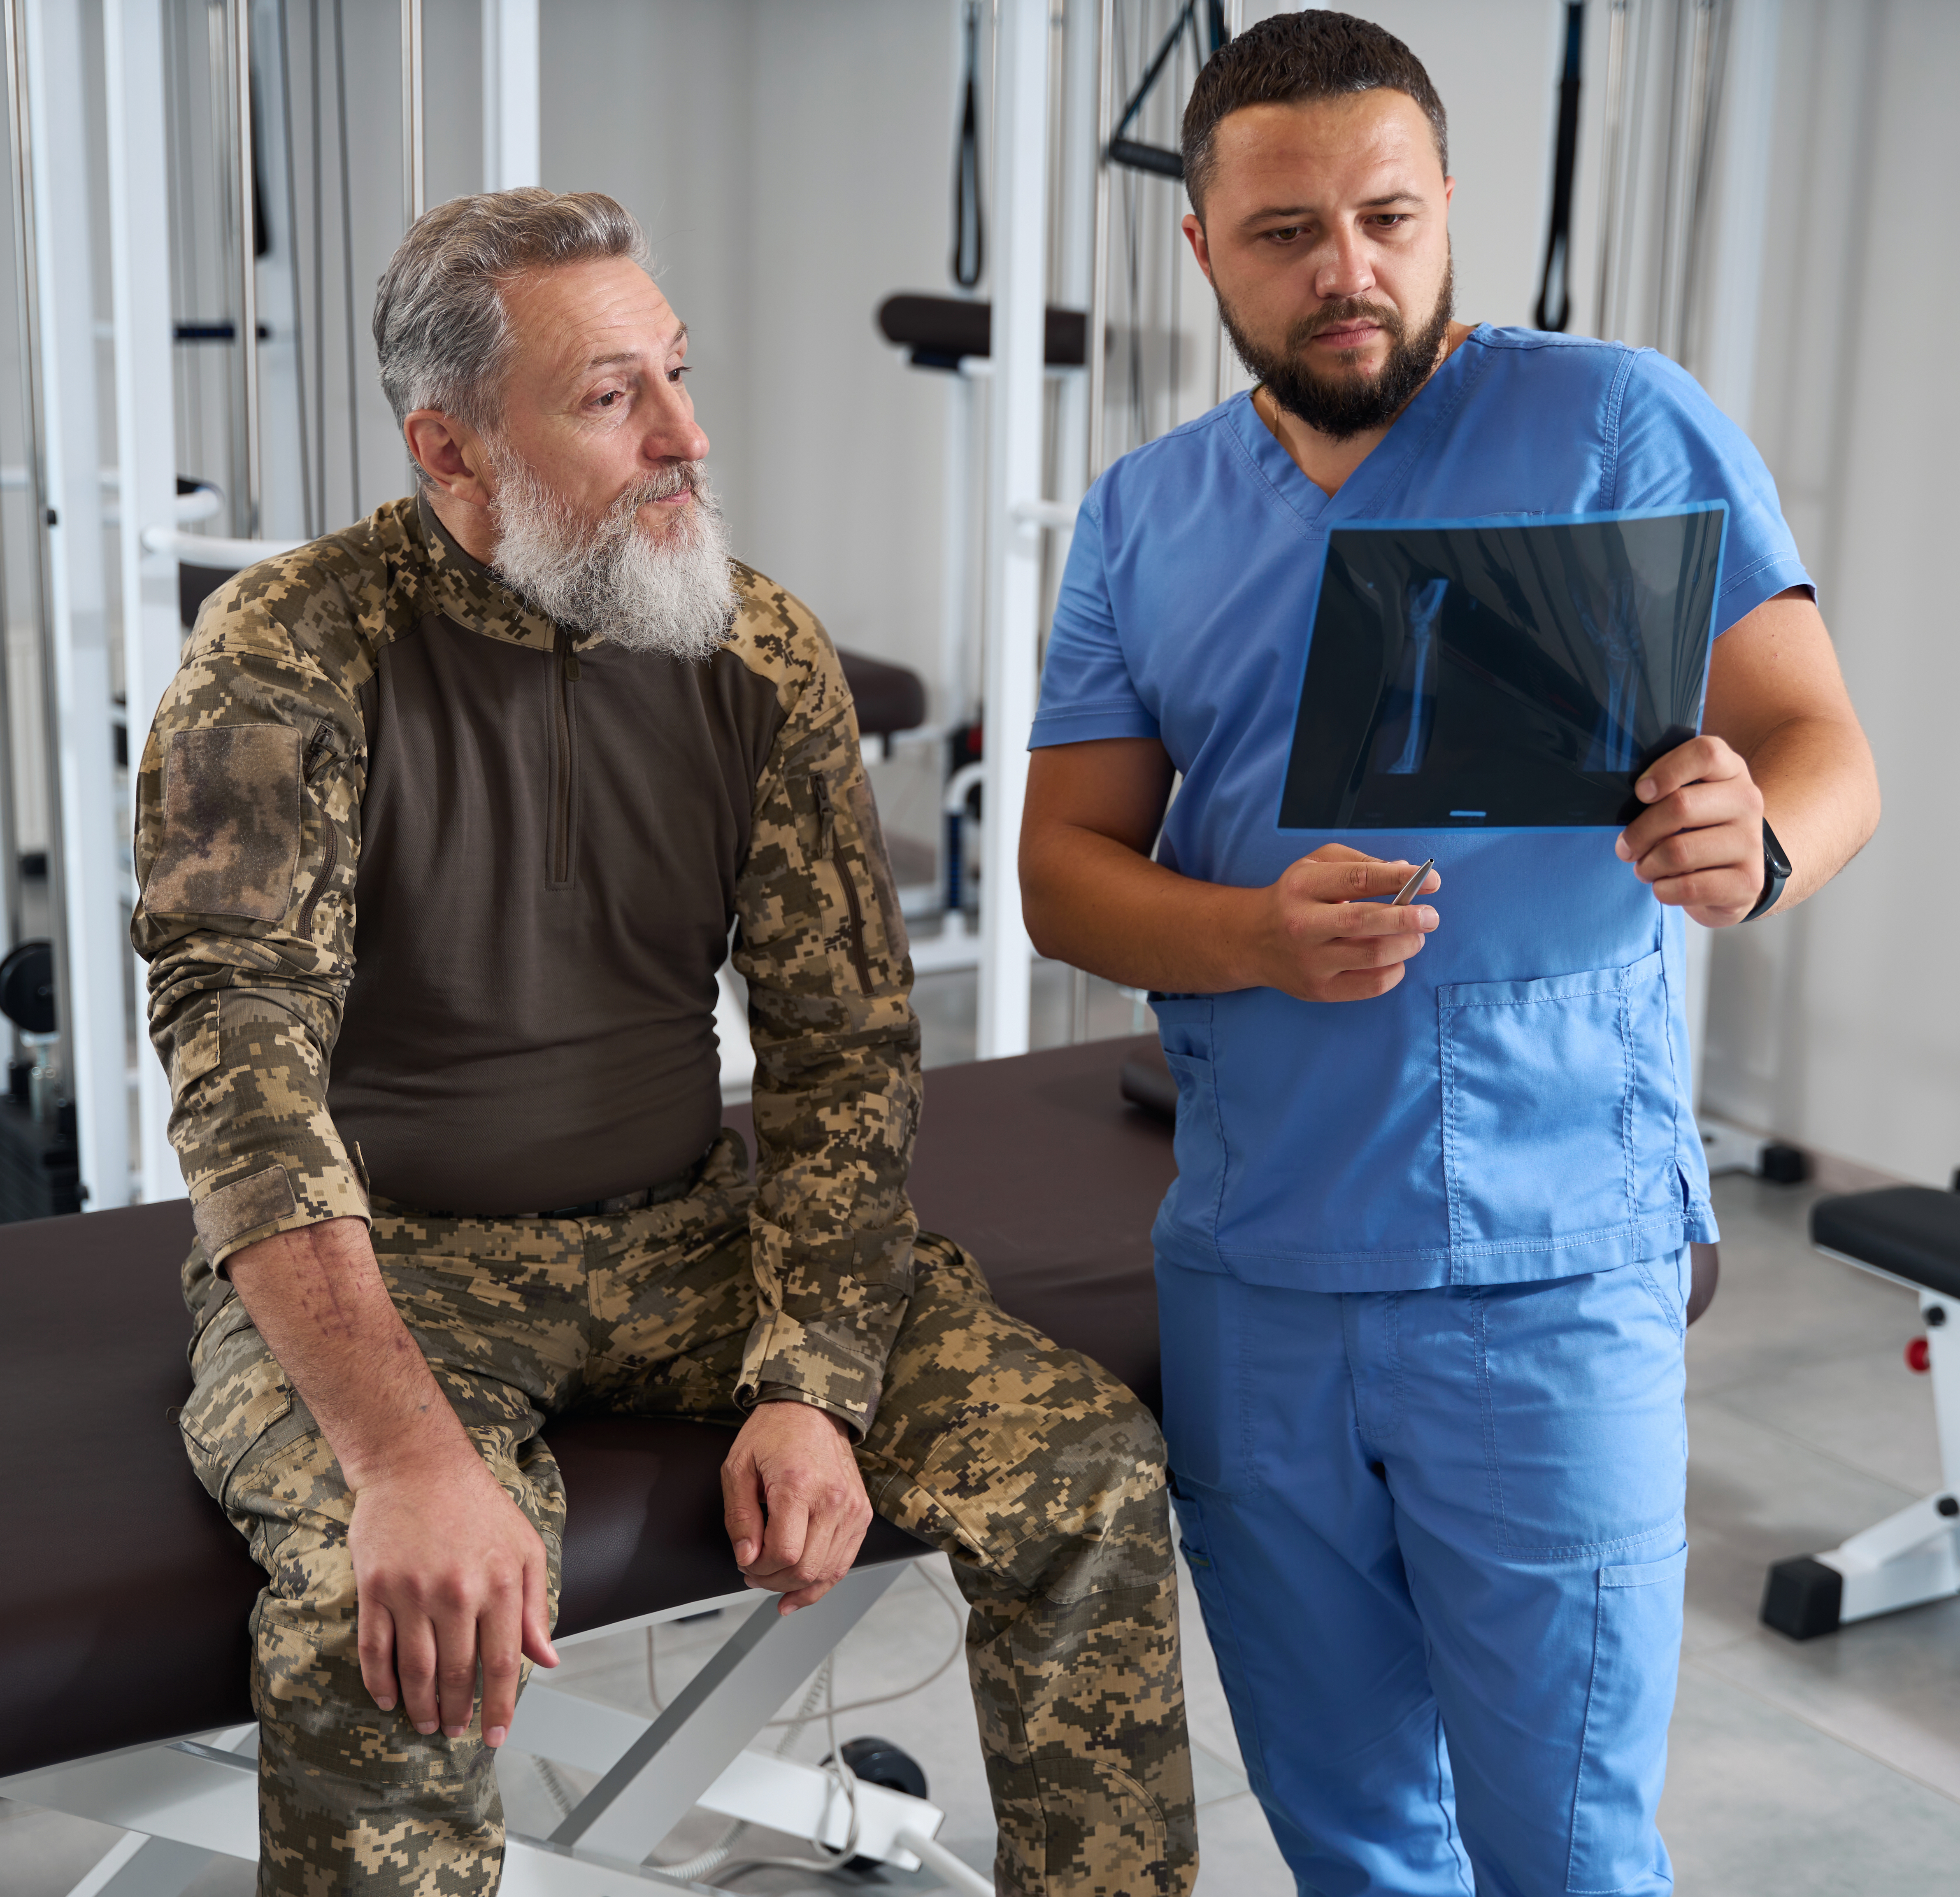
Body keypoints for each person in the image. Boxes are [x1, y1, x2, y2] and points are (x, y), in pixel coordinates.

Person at [134, 188, 1193, 1897]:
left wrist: (811, 1378)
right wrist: (408, 1463)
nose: (686, 437)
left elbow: (841, 1042)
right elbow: (239, 1076)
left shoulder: (753, 648)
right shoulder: (289, 654)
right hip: (396, 1260)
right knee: (382, 1615)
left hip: (688, 1235)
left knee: (1084, 1475)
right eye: (614, 397)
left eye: (678, 379)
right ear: (453, 451)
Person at [1019, 16, 1878, 1897]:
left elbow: (1825, 748)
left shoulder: (1614, 424)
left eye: (1389, 218)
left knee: (1562, 1845)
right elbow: (1063, 877)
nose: (1348, 271)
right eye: (1286, 233)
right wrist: (1245, 932)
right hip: (1259, 1273)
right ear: (1202, 250)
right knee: (1348, 1836)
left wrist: (1761, 839)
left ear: (1445, 211)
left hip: (1548, 1271)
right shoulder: (1147, 518)